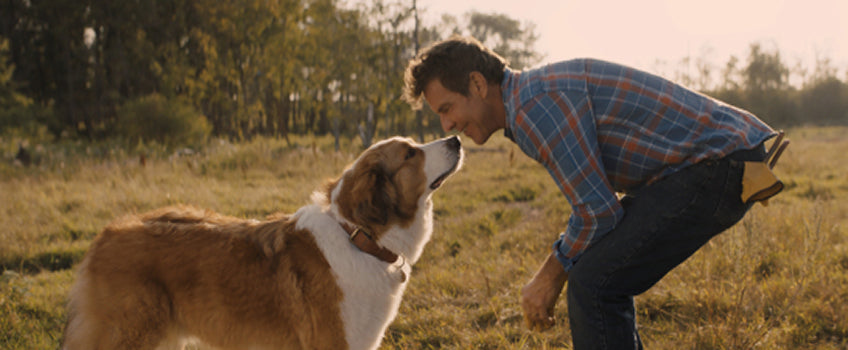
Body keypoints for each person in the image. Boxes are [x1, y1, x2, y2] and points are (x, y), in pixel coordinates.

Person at [402, 35, 780, 349]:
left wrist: (549, 275)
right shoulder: (531, 100)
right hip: (720, 162)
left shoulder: (534, 107)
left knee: (593, 284)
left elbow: (597, 212)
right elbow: (599, 209)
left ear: (477, 85)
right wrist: (561, 264)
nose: (446, 124)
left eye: (447, 108)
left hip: (719, 165)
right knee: (596, 277)